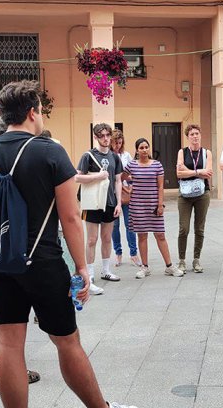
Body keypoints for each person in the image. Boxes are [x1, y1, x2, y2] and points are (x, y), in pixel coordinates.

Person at [0, 81, 138, 408]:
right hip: (43, 261)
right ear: (33, 111)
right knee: (67, 341)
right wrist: (82, 268)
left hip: (1, 263)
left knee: (10, 347)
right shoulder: (50, 151)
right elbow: (69, 216)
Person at [75, 123, 124, 294]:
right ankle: (90, 274)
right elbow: (77, 177)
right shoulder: (88, 155)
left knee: (107, 238)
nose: (105, 138)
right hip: (92, 203)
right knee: (91, 239)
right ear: (95, 137)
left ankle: (105, 270)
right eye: (101, 135)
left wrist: (119, 203)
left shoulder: (115, 157)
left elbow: (118, 181)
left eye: (107, 135)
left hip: (109, 202)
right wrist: (98, 176)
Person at [125, 138, 184, 279]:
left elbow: (160, 186)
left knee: (160, 235)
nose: (144, 150)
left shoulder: (157, 165)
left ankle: (169, 266)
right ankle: (144, 267)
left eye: (146, 147)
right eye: (141, 147)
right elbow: (121, 177)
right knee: (142, 235)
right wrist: (128, 190)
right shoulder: (131, 165)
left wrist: (160, 205)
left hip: (154, 205)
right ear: (137, 150)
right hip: (137, 205)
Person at [175, 124, 212, 274]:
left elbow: (208, 173)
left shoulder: (207, 152)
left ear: (200, 135)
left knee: (199, 228)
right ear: (187, 136)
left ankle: (196, 259)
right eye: (192, 134)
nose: (195, 136)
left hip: (202, 194)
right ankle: (182, 260)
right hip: (184, 194)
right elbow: (178, 173)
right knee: (184, 228)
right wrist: (199, 171)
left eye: (197, 133)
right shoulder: (182, 152)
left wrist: (188, 171)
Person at [111, 129, 139, 267]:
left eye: (120, 143)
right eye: (115, 143)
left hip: (127, 194)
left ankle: (133, 254)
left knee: (130, 224)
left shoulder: (126, 155)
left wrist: (130, 186)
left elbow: (132, 173)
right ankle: (118, 253)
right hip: (112, 194)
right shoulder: (108, 156)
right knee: (114, 226)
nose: (118, 146)